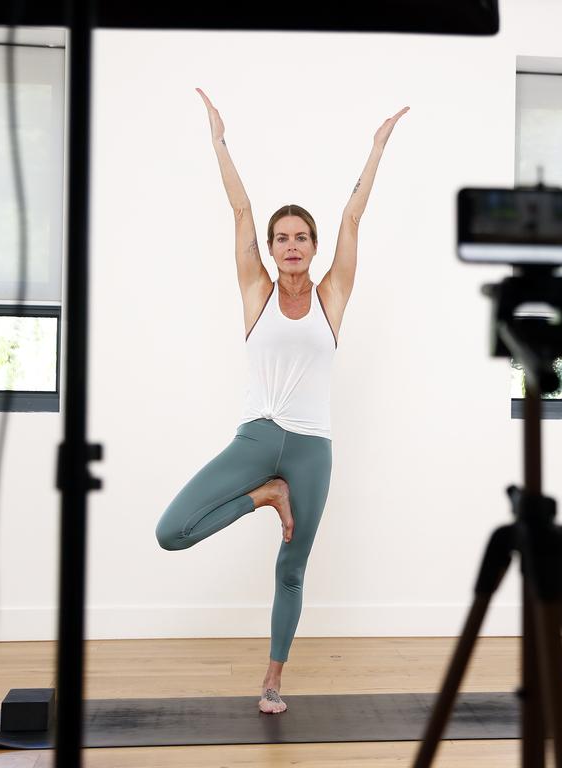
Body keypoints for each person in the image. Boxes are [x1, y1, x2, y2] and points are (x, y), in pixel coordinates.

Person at [155, 88, 408, 714]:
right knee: (172, 531)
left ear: (314, 248)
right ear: (269, 250)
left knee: (292, 568)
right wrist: (219, 142)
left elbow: (352, 218)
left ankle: (271, 681)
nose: (291, 245)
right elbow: (240, 209)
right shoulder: (256, 292)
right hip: (258, 438)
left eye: (301, 237)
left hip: (313, 450)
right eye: (281, 238)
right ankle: (261, 496)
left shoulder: (331, 296)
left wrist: (376, 150)